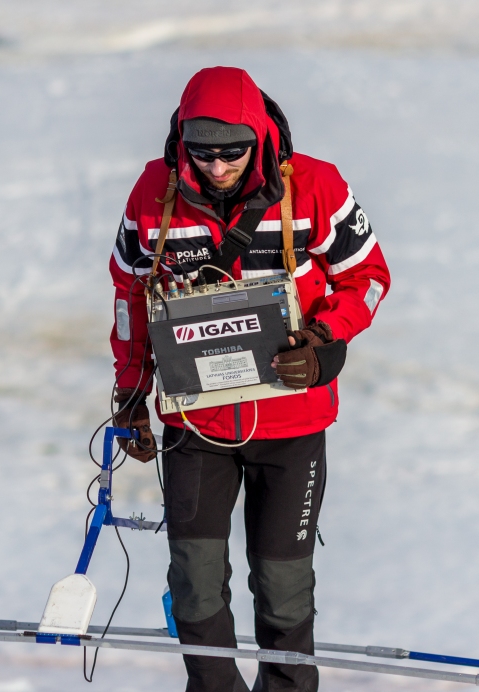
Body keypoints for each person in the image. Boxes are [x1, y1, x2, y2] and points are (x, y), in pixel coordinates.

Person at [108, 66, 391, 692]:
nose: (216, 167)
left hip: (292, 422)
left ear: (259, 138)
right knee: (194, 577)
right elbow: (130, 294)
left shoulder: (315, 185)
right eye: (201, 152)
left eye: (232, 152)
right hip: (195, 422)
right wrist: (129, 393)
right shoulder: (154, 192)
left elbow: (367, 277)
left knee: (283, 587)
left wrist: (326, 342)